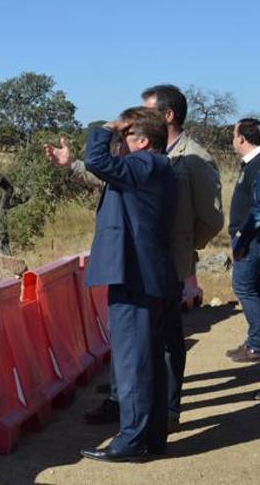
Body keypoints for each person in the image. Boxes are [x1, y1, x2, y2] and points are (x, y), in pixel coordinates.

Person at [47, 85, 224, 429]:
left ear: (168, 116)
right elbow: (111, 180)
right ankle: (123, 401)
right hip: (139, 260)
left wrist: (182, 247)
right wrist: (72, 165)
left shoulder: (195, 158)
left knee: (167, 339)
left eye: (147, 111)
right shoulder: (143, 155)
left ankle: (166, 410)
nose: (134, 121)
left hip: (167, 261)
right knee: (130, 336)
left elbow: (212, 218)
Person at [52, 107, 178, 462]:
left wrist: (105, 129)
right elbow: (100, 170)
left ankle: (130, 441)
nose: (118, 143)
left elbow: (99, 160)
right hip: (148, 275)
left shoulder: (144, 164)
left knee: (131, 361)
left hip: (135, 277)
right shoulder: (155, 167)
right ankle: (151, 437)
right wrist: (74, 163)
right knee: (148, 358)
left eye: (124, 137)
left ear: (140, 140)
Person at [227, 118, 260, 362]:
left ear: (242, 138)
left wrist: (241, 239)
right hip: (250, 239)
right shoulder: (250, 164)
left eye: (234, 134)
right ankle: (254, 340)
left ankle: (257, 344)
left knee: (245, 287)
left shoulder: (257, 165)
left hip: (252, 242)